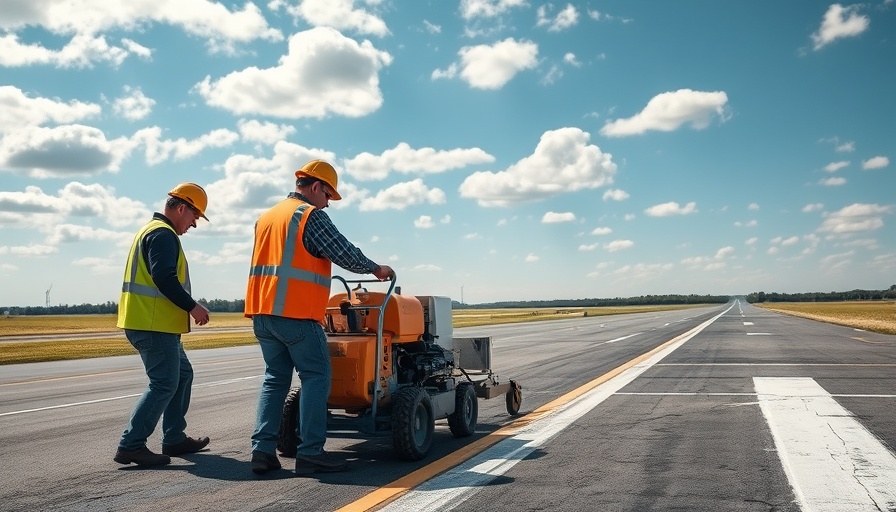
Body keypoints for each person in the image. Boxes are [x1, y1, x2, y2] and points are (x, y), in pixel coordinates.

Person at [245, 160, 393, 476]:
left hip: (262, 314)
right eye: (328, 196)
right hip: (295, 314)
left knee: (275, 379)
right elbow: (343, 252)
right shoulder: (309, 216)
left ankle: (262, 451)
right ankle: (311, 452)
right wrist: (375, 268)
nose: (328, 203)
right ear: (315, 188)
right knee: (316, 375)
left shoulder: (267, 217)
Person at [113, 183, 212, 467]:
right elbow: (164, 277)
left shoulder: (151, 230)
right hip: (152, 325)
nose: (194, 223)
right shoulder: (163, 235)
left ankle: (174, 439)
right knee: (164, 383)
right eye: (195, 216)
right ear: (182, 208)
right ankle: (131, 445)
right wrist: (193, 307)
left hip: (153, 324)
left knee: (182, 375)